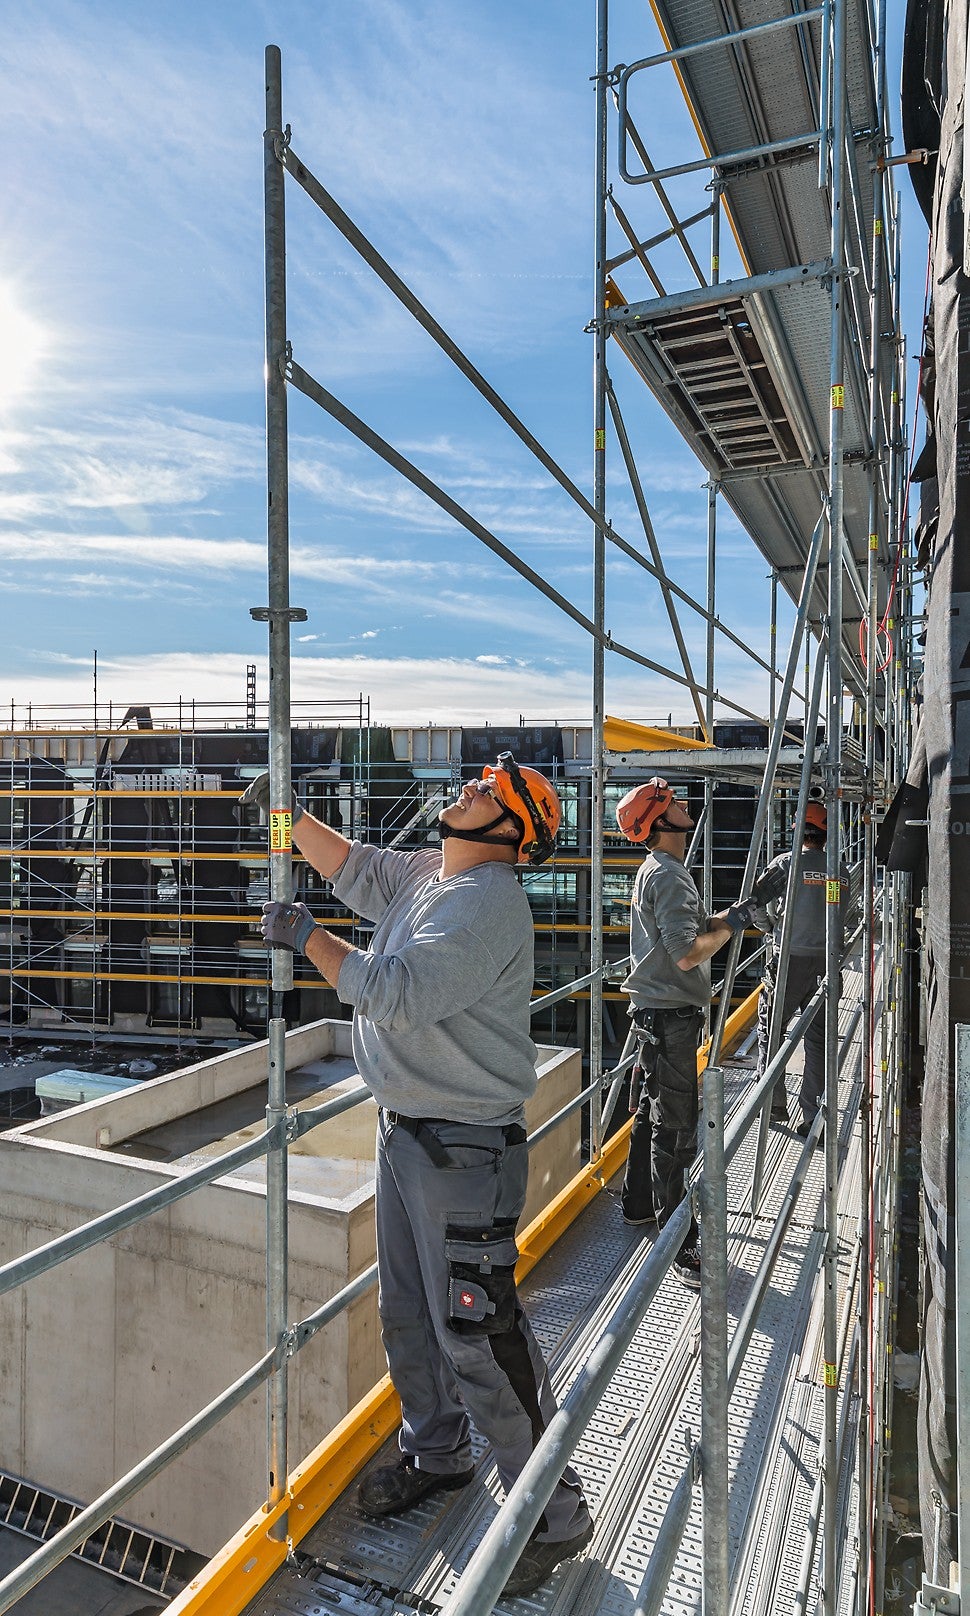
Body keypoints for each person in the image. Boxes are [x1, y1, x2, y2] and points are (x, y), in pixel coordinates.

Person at [244, 754, 593, 1598]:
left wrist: (307, 939)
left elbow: (391, 993)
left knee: (477, 1330)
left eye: (486, 791)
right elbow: (353, 866)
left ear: (511, 832)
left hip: (465, 1151)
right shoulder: (434, 873)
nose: (467, 789)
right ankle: (438, 1453)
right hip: (408, 1135)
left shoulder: (487, 903)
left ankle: (552, 1516)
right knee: (408, 1314)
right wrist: (282, 815)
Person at [614, 777, 741, 1287]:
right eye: (674, 804)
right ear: (661, 822)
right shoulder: (667, 875)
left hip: (656, 1012)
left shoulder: (661, 870)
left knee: (651, 1110)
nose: (685, 806)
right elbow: (687, 952)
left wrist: (729, 915)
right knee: (677, 1123)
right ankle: (677, 1234)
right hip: (670, 1015)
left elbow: (685, 929)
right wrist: (730, 928)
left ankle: (638, 1202)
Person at [750, 798, 851, 1135]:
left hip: (789, 959)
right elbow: (838, 912)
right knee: (819, 1040)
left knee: (773, 1031)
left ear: (798, 830)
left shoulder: (784, 865)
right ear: (825, 832)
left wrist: (769, 927)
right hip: (825, 961)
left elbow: (756, 904)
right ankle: (812, 1118)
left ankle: (773, 1103)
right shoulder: (837, 871)